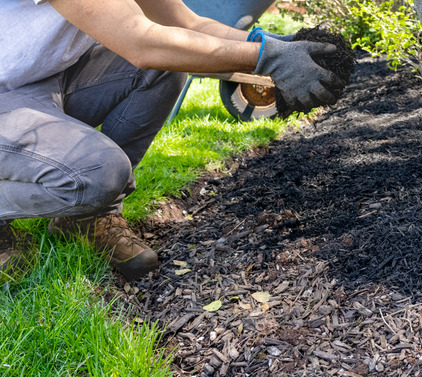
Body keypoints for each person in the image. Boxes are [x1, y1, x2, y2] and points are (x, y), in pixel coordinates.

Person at [0, 0, 345, 282]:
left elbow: (188, 25)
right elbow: (141, 41)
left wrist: (275, 46)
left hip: (42, 79)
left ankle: (85, 218)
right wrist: (263, 59)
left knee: (168, 62)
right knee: (96, 173)